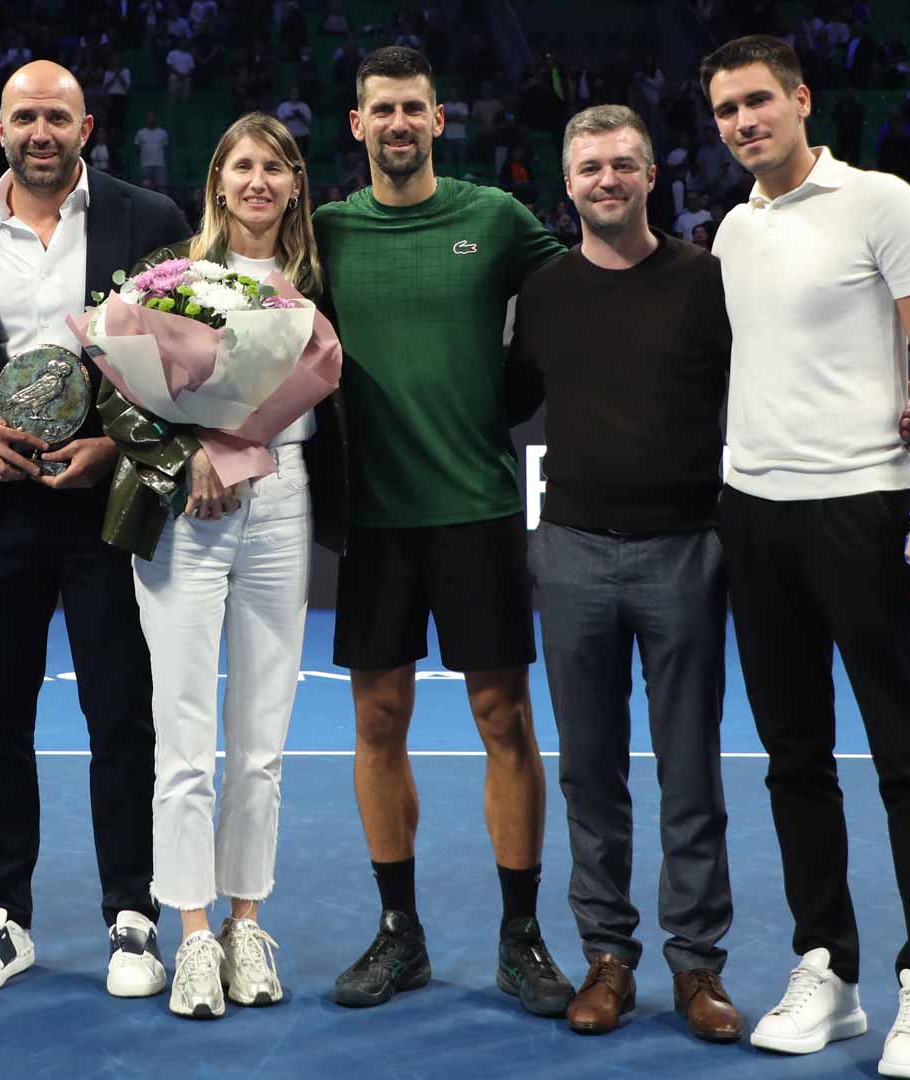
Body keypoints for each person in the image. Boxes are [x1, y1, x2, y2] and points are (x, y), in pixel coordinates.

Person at [703, 35, 910, 1080]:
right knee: (794, 762)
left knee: (908, 756)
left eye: (758, 101)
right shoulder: (731, 229)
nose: (742, 122)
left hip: (862, 513)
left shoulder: (883, 204)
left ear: (802, 100)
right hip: (754, 517)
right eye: (726, 109)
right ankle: (830, 968)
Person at [0, 60, 190, 999]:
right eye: (24, 116)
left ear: (86, 126)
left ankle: (133, 917)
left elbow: (179, 354)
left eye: (56, 117)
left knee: (122, 717)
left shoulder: (146, 219)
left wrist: (115, 440)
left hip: (102, 507)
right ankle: (1, 918)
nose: (40, 131)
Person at [312, 45, 576, 1018]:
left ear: (438, 120)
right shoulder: (327, 230)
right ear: (357, 124)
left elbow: (579, 301)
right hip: (375, 520)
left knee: (504, 720)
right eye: (380, 109)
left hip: (477, 508)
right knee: (377, 721)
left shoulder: (493, 217)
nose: (397, 123)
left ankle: (520, 938)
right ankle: (400, 935)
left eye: (413, 108)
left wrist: (512, 395)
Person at [508, 103, 741, 1042]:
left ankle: (698, 968)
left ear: (651, 176)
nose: (607, 180)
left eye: (623, 165)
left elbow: (782, 379)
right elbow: (496, 399)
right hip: (568, 553)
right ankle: (606, 957)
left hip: (685, 550)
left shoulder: (707, 282)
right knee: (588, 774)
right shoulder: (547, 293)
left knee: (691, 773)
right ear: (566, 187)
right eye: (590, 168)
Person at [101, 112, 333, 1020]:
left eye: (276, 167)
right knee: (185, 730)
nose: (259, 182)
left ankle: (246, 922)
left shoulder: (318, 279)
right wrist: (189, 445)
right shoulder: (172, 279)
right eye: (243, 165)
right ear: (218, 180)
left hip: (285, 498)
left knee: (264, 738)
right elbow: (120, 384)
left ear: (295, 184)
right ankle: (192, 933)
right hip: (189, 506)